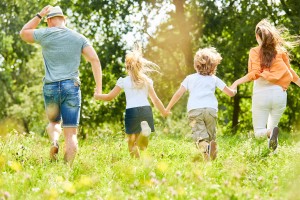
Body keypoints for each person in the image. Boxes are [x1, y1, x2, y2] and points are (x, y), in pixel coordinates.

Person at [20, 5, 102, 165]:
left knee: (53, 123)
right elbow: (95, 60)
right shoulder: (79, 38)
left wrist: (39, 15)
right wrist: (98, 88)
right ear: (63, 19)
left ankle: (54, 141)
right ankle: (66, 171)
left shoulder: (45, 34)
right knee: (71, 133)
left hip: (50, 87)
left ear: (49, 20)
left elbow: (24, 33)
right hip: (71, 86)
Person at [230, 19, 300, 151]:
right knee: (274, 127)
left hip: (261, 95)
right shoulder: (281, 52)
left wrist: (236, 82)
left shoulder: (255, 51)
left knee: (259, 132)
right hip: (279, 95)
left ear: (258, 36)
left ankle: (269, 134)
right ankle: (272, 152)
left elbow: (254, 74)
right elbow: (291, 73)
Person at [94, 46, 166, 158]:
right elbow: (155, 99)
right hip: (146, 110)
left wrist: (98, 96)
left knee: (131, 143)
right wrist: (164, 111)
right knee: (141, 143)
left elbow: (109, 97)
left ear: (127, 67)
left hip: (132, 112)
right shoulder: (147, 81)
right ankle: (144, 134)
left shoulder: (123, 81)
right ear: (141, 66)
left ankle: (136, 165)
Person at [165, 47, 236, 161]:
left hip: (195, 111)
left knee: (200, 138)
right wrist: (235, 89)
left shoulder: (190, 78)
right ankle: (209, 160)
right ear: (213, 65)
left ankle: (207, 149)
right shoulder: (214, 79)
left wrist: (167, 108)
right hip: (211, 111)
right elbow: (230, 93)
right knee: (211, 137)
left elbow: (178, 94)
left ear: (195, 65)